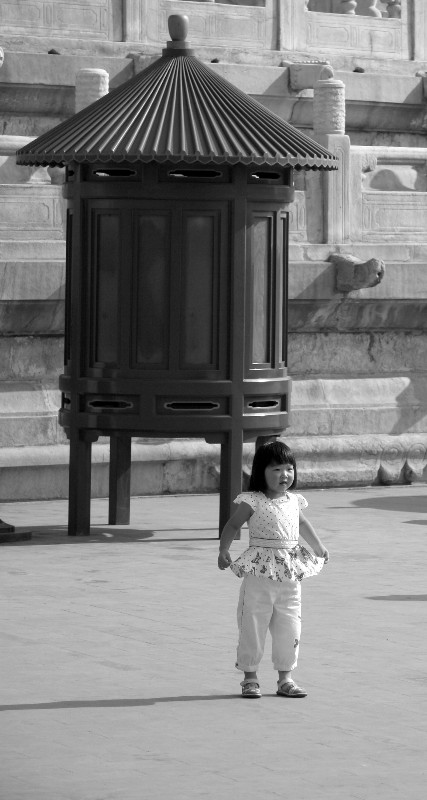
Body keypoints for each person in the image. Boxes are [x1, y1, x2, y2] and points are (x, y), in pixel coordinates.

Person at [218, 440, 329, 699]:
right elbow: (233, 525)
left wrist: (319, 547)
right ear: (261, 472)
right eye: (276, 469)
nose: (284, 475)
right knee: (252, 623)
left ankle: (285, 678)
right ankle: (250, 677)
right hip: (259, 574)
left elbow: (303, 525)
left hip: (290, 574)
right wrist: (224, 550)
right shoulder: (253, 501)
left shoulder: (294, 501)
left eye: (289, 469)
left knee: (290, 626)